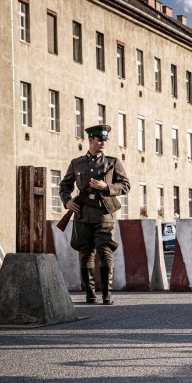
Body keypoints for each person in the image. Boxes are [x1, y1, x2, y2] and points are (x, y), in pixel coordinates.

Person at [60, 125, 130, 305]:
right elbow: (65, 185)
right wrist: (67, 201)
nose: (103, 142)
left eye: (105, 140)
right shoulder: (77, 163)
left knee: (105, 251)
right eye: (99, 139)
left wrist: (106, 187)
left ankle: (107, 295)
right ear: (90, 140)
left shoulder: (112, 163)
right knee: (85, 253)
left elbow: (125, 186)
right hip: (82, 214)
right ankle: (90, 294)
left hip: (104, 214)